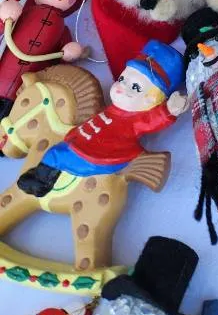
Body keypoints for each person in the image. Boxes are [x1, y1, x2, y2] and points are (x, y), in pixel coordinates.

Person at [17, 40, 186, 198]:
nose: (121, 87)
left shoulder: (135, 119)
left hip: (98, 155)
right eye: (122, 79)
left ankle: (40, 181)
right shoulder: (115, 109)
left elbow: (151, 120)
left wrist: (169, 110)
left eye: (135, 87)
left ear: (151, 99)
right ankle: (45, 177)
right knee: (58, 151)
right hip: (86, 144)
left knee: (56, 154)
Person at [0, 0, 89, 120]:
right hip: (4, 71)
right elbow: (4, 28)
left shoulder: (62, 28)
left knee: (12, 119)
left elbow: (62, 58)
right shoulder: (25, 11)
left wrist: (69, 52)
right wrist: (5, 15)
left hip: (26, 90)